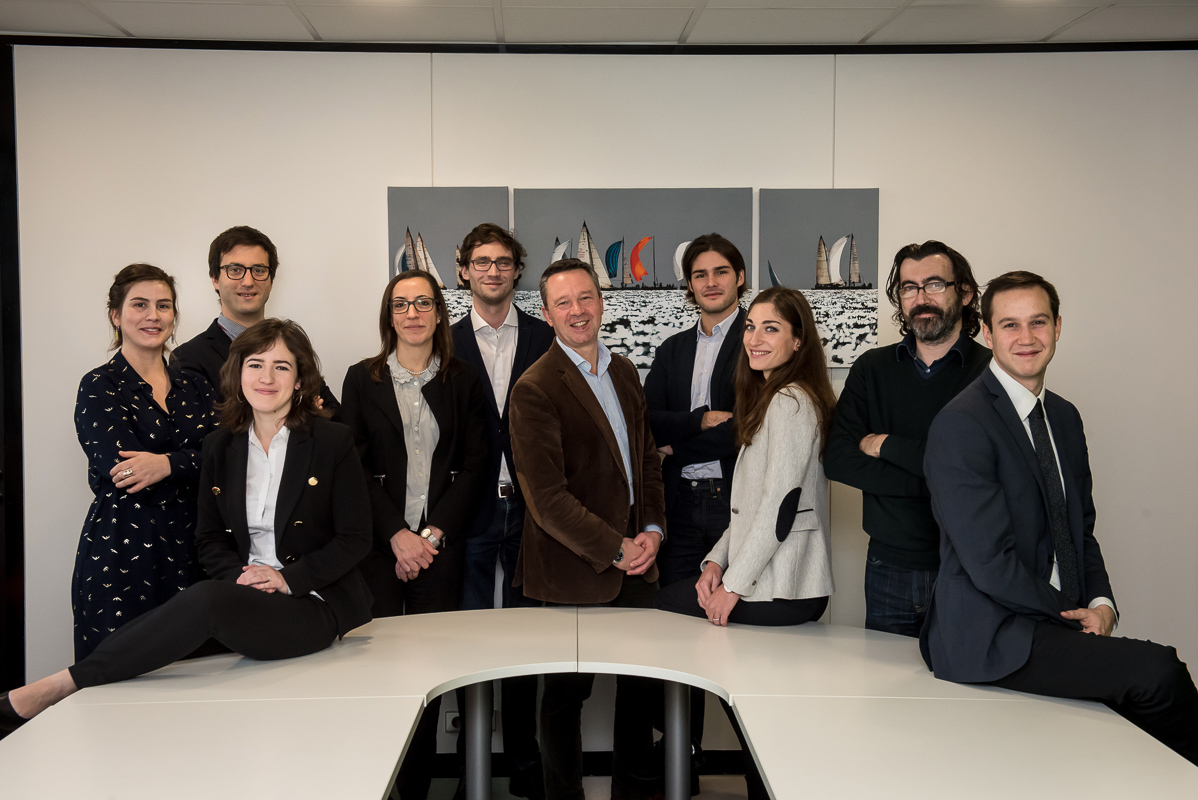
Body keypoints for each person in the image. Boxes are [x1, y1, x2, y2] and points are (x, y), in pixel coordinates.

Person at [2, 319, 372, 738]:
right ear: (238, 374)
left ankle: (57, 687)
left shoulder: (332, 441)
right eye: (255, 364)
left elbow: (356, 538)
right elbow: (209, 540)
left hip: (310, 602)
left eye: (281, 367)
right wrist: (244, 578)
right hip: (244, 594)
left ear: (300, 379)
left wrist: (286, 579)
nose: (266, 378)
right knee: (181, 617)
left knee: (205, 600)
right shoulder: (220, 446)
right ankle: (80, 702)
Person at [921, 271, 1198, 765]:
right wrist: (1073, 617)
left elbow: (1079, 531)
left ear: (1058, 327)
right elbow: (990, 565)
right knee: (1158, 672)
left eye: (1038, 322)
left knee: (1132, 712)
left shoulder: (1065, 417)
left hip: (1053, 618)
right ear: (988, 334)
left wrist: (1103, 604)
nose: (1026, 337)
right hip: (994, 633)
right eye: (1010, 325)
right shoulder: (961, 423)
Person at [509, 258, 666, 800]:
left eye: (585, 297)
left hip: (639, 561)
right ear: (546, 314)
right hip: (572, 569)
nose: (577, 311)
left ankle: (632, 793)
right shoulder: (534, 387)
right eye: (563, 302)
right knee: (564, 698)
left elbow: (646, 461)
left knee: (640, 691)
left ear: (601, 302)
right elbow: (546, 500)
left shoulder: (624, 371)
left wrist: (652, 530)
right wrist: (616, 549)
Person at [340, 269, 490, 800]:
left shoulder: (463, 379)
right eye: (401, 304)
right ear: (389, 315)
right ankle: (384, 783)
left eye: (423, 303)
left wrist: (430, 535)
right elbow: (353, 467)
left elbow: (476, 463)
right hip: (379, 551)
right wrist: (397, 536)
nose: (412, 313)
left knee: (428, 674)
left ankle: (419, 787)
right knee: (381, 672)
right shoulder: (361, 379)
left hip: (438, 550)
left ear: (439, 313)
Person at [824, 241, 990, 636]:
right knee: (886, 675)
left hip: (972, 567)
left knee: (967, 675)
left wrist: (885, 445)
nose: (921, 298)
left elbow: (986, 469)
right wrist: (937, 479)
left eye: (934, 284)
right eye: (909, 287)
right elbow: (838, 459)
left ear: (965, 292)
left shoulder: (992, 373)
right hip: (888, 568)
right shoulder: (872, 368)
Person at [449, 223, 553, 800]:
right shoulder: (442, 340)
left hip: (531, 506)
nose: (493, 270)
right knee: (466, 637)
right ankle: (471, 762)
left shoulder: (544, 335)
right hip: (468, 507)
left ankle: (522, 757)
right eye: (482, 261)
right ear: (464, 270)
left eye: (504, 261)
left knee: (524, 638)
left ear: (517, 271)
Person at [71, 263, 216, 659]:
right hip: (123, 552)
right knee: (119, 671)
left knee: (200, 672)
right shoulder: (99, 385)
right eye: (139, 305)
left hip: (197, 548)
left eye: (163, 306)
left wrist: (166, 465)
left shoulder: (197, 386)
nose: (153, 315)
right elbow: (125, 471)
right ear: (115, 316)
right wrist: (192, 462)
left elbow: (227, 458)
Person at [642, 233, 745, 788]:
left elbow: (746, 430)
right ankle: (684, 754)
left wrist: (676, 443)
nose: (710, 282)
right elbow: (648, 419)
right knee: (678, 632)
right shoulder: (673, 349)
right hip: (681, 508)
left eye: (720, 271)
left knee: (738, 632)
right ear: (689, 284)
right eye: (700, 274)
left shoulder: (758, 341)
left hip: (736, 509)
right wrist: (700, 420)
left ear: (739, 278)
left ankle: (757, 760)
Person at [173, 224, 339, 412]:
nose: (248, 281)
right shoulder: (187, 358)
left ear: (271, 280)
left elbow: (333, 414)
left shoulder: (292, 346)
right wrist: (298, 412)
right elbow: (204, 428)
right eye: (235, 270)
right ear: (215, 279)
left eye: (259, 270)